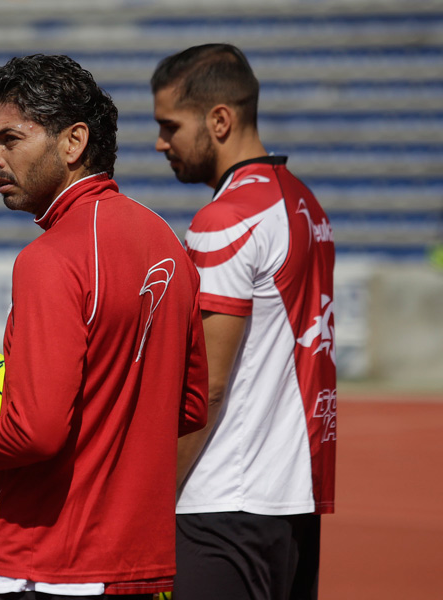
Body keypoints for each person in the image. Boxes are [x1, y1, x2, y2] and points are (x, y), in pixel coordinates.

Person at [0, 54, 209, 599]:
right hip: (140, 566)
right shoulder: (168, 242)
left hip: (48, 564)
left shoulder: (50, 259)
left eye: (9, 139)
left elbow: (36, 430)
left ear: (73, 143)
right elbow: (189, 406)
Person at [151, 43, 336, 600]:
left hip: (222, 503)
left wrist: (150, 493)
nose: (161, 143)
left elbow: (204, 385)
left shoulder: (224, 218)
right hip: (293, 503)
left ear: (220, 120)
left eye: (169, 125)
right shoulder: (305, 204)